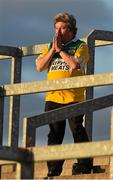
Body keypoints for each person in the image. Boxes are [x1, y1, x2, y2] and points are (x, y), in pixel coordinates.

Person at [35, 12, 93, 177]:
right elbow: (39, 67)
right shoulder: (50, 47)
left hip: (73, 97)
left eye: (61, 28)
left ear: (71, 30)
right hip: (53, 97)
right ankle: (53, 170)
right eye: (56, 28)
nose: (57, 32)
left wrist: (60, 51)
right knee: (54, 133)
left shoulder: (80, 45)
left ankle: (84, 165)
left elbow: (75, 64)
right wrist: (52, 50)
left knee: (76, 129)